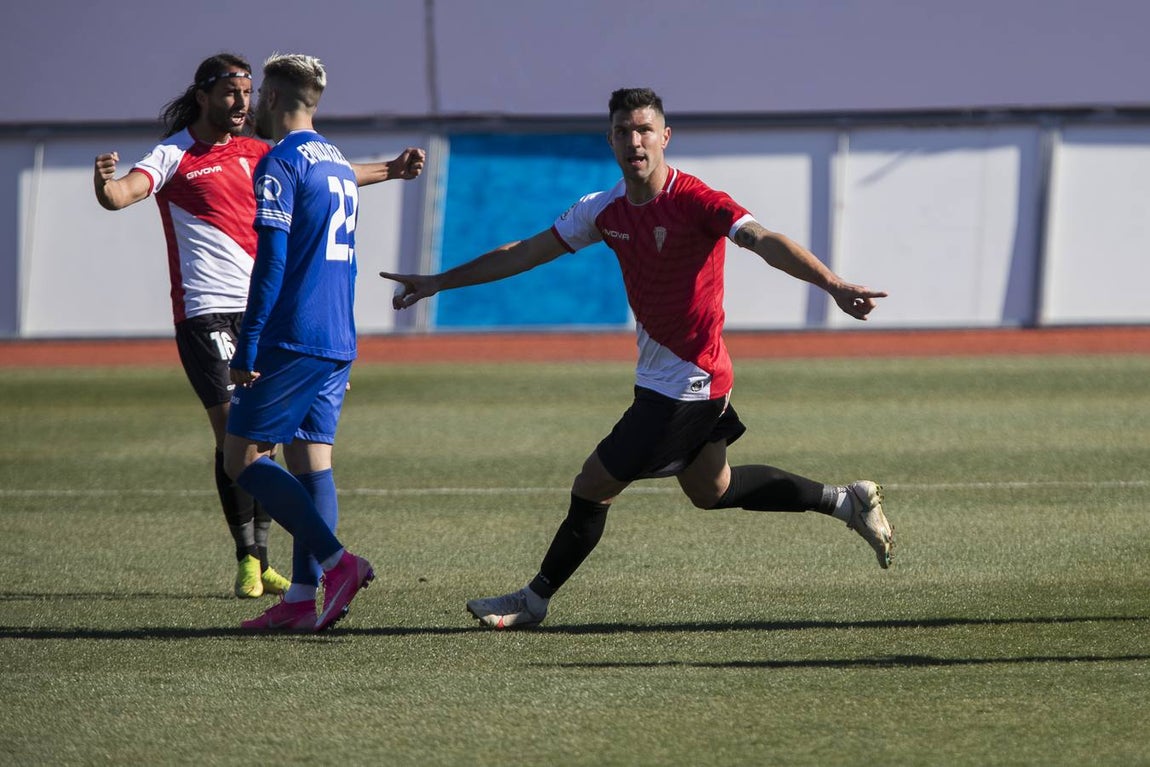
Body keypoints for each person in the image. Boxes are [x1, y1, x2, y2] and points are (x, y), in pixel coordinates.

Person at [382, 87, 893, 630]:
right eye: (624, 131)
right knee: (711, 490)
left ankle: (532, 601)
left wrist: (832, 284)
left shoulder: (697, 200)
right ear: (610, 140)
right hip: (671, 380)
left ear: (665, 137)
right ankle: (845, 501)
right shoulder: (604, 210)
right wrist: (439, 281)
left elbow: (763, 238)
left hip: (688, 384)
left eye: (645, 130)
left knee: (593, 484)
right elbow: (527, 252)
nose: (635, 141)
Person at [93, 52, 425, 600]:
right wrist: (108, 188)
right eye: (230, 93)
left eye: (248, 92)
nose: (241, 103)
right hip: (209, 312)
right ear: (202, 95)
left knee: (256, 453)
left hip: (267, 314)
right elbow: (125, 193)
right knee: (245, 443)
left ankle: (303, 574)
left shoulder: (264, 153)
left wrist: (389, 169)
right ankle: (255, 558)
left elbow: (320, 180)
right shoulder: (175, 152)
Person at [223, 52, 411, 632]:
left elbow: (273, 258)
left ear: (273, 98)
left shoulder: (279, 162)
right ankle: (302, 599)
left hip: (294, 333)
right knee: (311, 462)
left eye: (259, 95)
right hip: (336, 332)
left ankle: (337, 562)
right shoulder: (333, 162)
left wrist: (249, 342)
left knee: (242, 459)